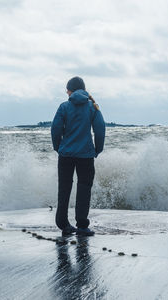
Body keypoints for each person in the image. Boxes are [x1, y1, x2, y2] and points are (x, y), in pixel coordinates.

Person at [51, 76, 105, 236]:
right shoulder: (92, 107)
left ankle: (63, 224)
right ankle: (82, 226)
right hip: (86, 155)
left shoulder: (64, 106)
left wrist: (58, 147)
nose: (66, 92)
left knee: (64, 188)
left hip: (65, 154)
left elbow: (55, 129)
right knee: (84, 189)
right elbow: (100, 129)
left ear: (71, 90)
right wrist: (97, 149)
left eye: (67, 89)